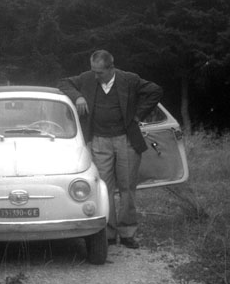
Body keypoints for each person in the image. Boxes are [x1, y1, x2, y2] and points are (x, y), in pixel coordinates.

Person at [58, 49, 162, 249]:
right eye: (93, 71)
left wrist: (138, 115)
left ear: (111, 68)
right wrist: (78, 97)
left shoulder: (129, 79)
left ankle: (127, 232)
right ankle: (108, 233)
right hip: (99, 141)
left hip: (126, 140)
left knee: (127, 187)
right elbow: (63, 83)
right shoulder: (87, 78)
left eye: (99, 73)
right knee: (104, 189)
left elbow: (155, 90)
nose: (95, 76)